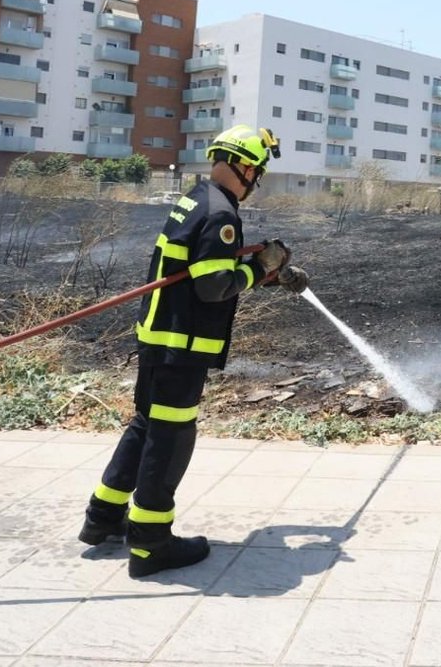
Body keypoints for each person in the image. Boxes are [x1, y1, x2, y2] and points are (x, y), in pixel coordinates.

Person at [79, 124, 309, 577]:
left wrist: (259, 269)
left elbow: (201, 268)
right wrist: (257, 270)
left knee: (146, 425)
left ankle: (103, 518)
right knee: (171, 437)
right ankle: (151, 544)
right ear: (244, 167)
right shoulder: (222, 215)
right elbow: (214, 286)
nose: (255, 180)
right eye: (256, 172)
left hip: (158, 337)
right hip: (181, 347)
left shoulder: (196, 199)